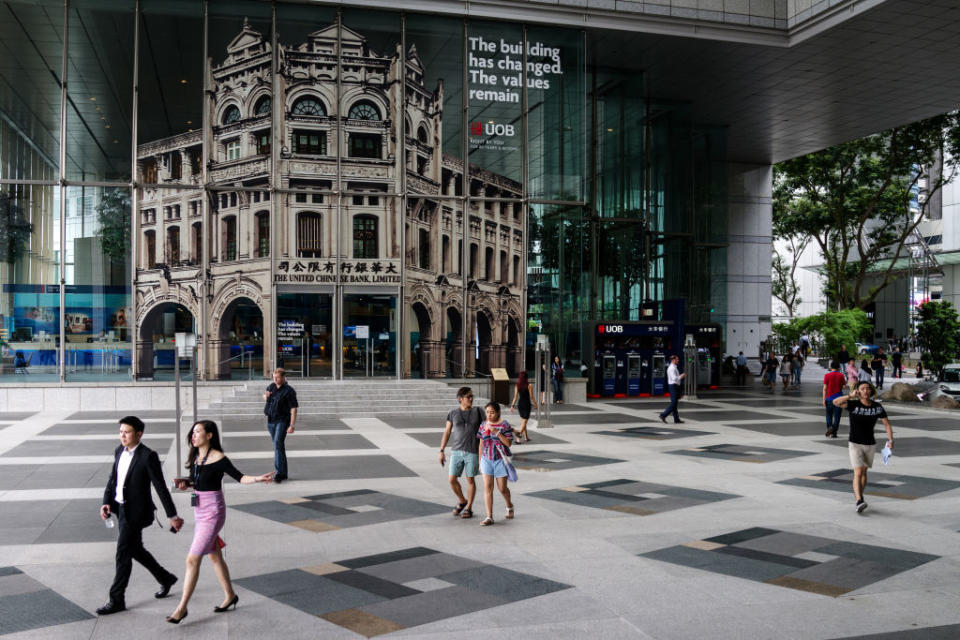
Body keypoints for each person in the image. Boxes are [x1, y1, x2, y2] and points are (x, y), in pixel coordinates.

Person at [166, 420, 274, 624]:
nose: (193, 435)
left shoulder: (219, 458)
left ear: (209, 436)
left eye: (198, 432)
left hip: (214, 512)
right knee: (214, 556)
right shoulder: (197, 456)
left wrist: (258, 479)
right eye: (193, 432)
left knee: (192, 559)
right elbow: (198, 481)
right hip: (199, 510)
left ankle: (182, 608)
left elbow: (240, 477)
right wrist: (186, 484)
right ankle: (230, 595)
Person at [97, 416, 184, 616]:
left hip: (135, 513)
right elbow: (113, 480)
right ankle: (165, 578)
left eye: (126, 432)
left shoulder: (147, 456)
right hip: (119, 509)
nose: (122, 436)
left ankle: (116, 599)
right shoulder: (119, 451)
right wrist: (106, 502)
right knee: (135, 549)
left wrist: (172, 515)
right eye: (120, 432)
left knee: (122, 554)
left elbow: (160, 486)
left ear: (139, 434)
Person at [832, 382, 894, 513]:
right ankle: (859, 500)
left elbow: (887, 424)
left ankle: (860, 494)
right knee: (858, 472)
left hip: (870, 444)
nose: (865, 391)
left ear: (871, 391)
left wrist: (890, 440)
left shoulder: (877, 407)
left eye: (867, 389)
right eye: (862, 389)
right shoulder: (853, 405)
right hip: (855, 443)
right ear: (858, 392)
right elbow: (835, 402)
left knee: (864, 473)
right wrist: (849, 396)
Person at [439, 387, 483, 520]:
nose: (471, 399)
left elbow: (489, 423)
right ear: (460, 399)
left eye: (472, 396)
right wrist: (441, 450)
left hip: (472, 450)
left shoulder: (478, 412)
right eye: (468, 397)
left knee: (470, 479)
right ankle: (462, 500)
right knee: (452, 479)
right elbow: (447, 432)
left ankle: (468, 507)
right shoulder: (453, 413)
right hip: (456, 450)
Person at [476, 401, 515, 526]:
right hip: (486, 459)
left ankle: (509, 505)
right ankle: (489, 517)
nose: (489, 415)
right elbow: (481, 444)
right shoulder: (483, 425)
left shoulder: (504, 425)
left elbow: (508, 443)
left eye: (492, 412)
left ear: (498, 412)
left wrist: (495, 431)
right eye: (487, 412)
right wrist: (479, 462)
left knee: (502, 488)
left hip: (500, 460)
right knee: (488, 487)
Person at [262, 368, 298, 483]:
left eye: (277, 377)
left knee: (278, 444)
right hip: (270, 421)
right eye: (274, 377)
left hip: (282, 421)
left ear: (283, 377)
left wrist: (291, 425)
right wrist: (265, 397)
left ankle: (279, 474)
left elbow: (293, 409)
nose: (275, 379)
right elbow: (266, 399)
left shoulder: (289, 391)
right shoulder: (271, 387)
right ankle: (283, 472)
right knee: (278, 446)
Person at [509, 371, 537, 443]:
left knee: (523, 421)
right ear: (526, 377)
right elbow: (531, 396)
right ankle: (519, 434)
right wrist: (535, 404)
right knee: (524, 422)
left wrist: (512, 406)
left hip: (520, 404)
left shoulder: (517, 385)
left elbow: (515, 397)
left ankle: (526, 437)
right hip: (526, 404)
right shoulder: (529, 385)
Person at [659, 354, 686, 423]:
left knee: (675, 403)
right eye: (677, 359)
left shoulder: (674, 367)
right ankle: (663, 415)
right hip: (673, 386)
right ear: (673, 360)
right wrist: (681, 376)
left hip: (674, 386)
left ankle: (676, 419)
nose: (678, 360)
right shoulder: (672, 368)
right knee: (674, 403)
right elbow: (674, 379)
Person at [822, 361, 846, 437]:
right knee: (837, 416)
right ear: (839, 367)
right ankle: (834, 431)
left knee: (828, 415)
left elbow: (825, 388)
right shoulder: (841, 375)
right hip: (839, 399)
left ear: (831, 367)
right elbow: (844, 387)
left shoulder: (827, 375)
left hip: (829, 399)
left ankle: (830, 428)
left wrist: (823, 399)